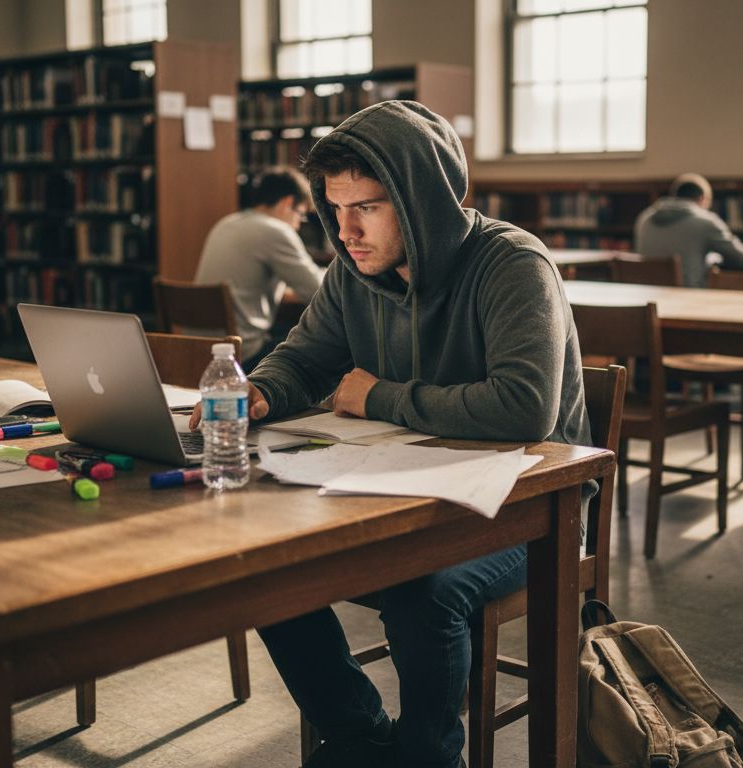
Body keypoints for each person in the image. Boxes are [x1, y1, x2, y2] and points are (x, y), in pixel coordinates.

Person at [192, 100, 590, 768]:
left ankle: (429, 757)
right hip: (409, 488)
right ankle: (363, 740)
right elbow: (305, 354)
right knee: (268, 570)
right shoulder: (354, 272)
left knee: (423, 591)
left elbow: (523, 409)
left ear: (423, 199)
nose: (346, 230)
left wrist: (378, 396)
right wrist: (258, 390)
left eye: (367, 207)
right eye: (334, 207)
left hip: (530, 507)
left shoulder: (512, 264)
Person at [193, 166, 325, 371]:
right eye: (301, 215)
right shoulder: (275, 230)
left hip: (198, 350)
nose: (299, 225)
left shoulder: (226, 223)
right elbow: (318, 291)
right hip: (242, 352)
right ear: (288, 203)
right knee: (322, 343)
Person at [633, 172, 743, 287]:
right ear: (702, 199)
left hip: (649, 297)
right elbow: (742, 259)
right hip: (688, 300)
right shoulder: (705, 221)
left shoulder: (645, 218)